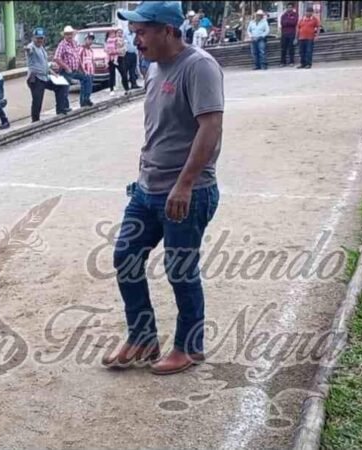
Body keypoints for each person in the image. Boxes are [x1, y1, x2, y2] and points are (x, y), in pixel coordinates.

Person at [103, 1, 224, 376]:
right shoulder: (154, 68)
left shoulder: (199, 66)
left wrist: (184, 184)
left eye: (142, 33)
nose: (135, 41)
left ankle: (189, 347)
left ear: (168, 30)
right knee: (125, 256)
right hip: (147, 189)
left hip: (187, 191)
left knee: (180, 269)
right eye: (135, 33)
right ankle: (143, 337)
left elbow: (210, 129)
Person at [25, 27, 70, 121]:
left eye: (41, 38)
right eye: (37, 38)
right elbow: (29, 50)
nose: (40, 40)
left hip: (45, 76)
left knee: (62, 86)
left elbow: (44, 64)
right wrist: (27, 49)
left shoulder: (41, 48)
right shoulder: (32, 47)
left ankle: (61, 109)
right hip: (36, 78)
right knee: (37, 101)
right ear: (33, 38)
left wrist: (53, 73)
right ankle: (35, 121)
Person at [54, 25, 93, 107]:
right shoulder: (62, 45)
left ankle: (85, 100)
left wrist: (82, 69)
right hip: (66, 71)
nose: (69, 36)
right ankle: (64, 107)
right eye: (67, 34)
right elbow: (57, 58)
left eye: (70, 34)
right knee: (65, 89)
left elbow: (78, 58)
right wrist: (66, 67)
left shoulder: (75, 43)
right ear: (64, 35)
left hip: (75, 70)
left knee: (87, 78)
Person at [105, 28, 127, 95]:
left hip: (119, 58)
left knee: (123, 74)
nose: (112, 35)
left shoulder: (119, 40)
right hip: (110, 59)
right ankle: (111, 90)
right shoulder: (107, 41)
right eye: (110, 34)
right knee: (112, 75)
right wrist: (114, 51)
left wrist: (115, 51)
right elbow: (106, 50)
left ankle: (126, 89)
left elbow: (123, 49)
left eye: (113, 33)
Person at [78, 33, 96, 107]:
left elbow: (92, 61)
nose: (90, 41)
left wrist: (93, 70)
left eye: (91, 39)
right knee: (84, 87)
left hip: (90, 71)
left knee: (89, 86)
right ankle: (83, 101)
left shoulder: (91, 50)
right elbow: (78, 59)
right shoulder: (81, 49)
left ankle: (87, 99)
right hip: (84, 71)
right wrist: (81, 70)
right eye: (89, 39)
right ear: (85, 40)